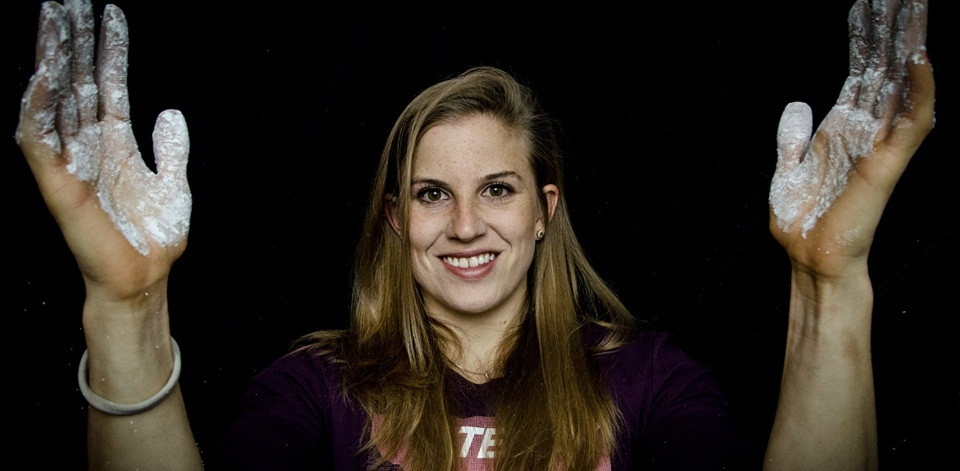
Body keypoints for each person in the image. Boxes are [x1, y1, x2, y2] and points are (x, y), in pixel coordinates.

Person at [14, 0, 934, 469]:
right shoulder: (317, 389)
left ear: (544, 210)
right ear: (395, 219)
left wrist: (829, 282)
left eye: (497, 189)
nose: (464, 224)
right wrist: (126, 305)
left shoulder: (647, 382)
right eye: (430, 194)